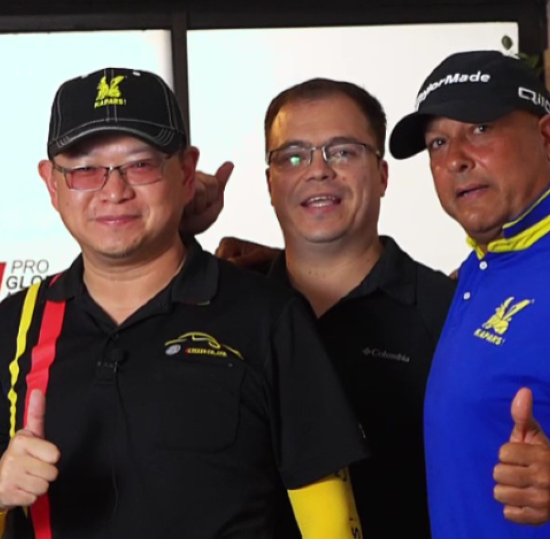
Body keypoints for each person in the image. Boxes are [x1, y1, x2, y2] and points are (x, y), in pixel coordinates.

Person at [0, 67, 369, 539]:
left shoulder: (268, 316)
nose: (114, 191)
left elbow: (331, 523)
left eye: (140, 165)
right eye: (85, 169)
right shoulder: (14, 327)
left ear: (186, 172)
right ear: (52, 184)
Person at [205, 78, 456, 538]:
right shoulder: (225, 313)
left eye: (342, 152)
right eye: (293, 156)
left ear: (382, 175)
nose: (318, 171)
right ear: (270, 183)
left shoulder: (448, 316)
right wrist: (177, 228)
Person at [389, 50, 550, 537]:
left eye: (481, 129)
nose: (455, 159)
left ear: (546, 137)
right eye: (437, 142)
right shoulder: (490, 261)